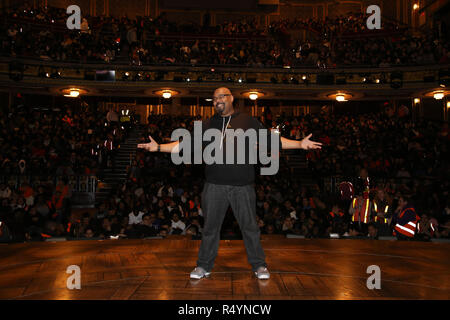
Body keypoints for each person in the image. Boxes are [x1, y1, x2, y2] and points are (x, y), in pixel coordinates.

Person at [138, 87, 322, 280]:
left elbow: (272, 141)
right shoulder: (207, 124)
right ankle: (203, 266)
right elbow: (184, 145)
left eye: (221, 96)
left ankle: (259, 266)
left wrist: (299, 144)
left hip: (243, 186)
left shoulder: (248, 121)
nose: (217, 100)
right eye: (214, 98)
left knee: (249, 227)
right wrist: (158, 147)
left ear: (231, 98)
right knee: (210, 228)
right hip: (214, 186)